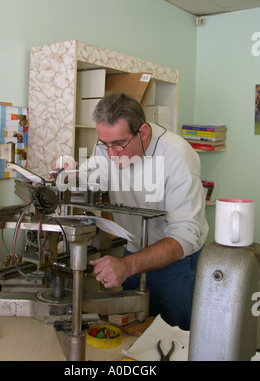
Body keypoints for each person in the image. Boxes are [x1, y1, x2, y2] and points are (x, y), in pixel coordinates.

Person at [81, 91, 208, 331]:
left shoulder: (178, 157)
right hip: (132, 253)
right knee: (136, 337)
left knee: (173, 339)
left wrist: (128, 265)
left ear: (144, 132)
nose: (110, 153)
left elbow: (185, 235)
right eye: (105, 144)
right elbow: (93, 178)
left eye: (118, 144)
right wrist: (66, 179)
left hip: (177, 264)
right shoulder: (110, 146)